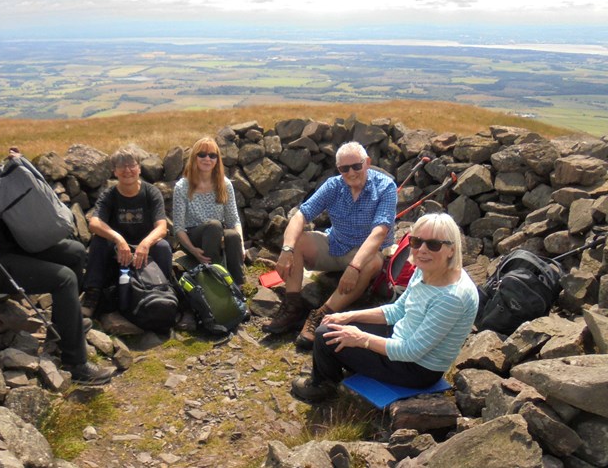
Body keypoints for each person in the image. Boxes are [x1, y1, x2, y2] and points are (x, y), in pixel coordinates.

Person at [0, 121, 113, 385]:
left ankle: (62, 329)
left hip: (10, 251)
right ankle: (76, 363)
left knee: (74, 251)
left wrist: (19, 165)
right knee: (64, 278)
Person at [291, 213, 478, 402]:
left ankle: (323, 385)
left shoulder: (452, 298)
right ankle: (336, 367)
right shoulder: (426, 269)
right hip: (402, 336)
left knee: (326, 336)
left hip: (417, 369)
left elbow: (411, 351)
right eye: (416, 241)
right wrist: (348, 316)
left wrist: (361, 339)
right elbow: (397, 310)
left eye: (433, 244)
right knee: (336, 326)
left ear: (451, 250)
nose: (422, 250)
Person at [263, 141, 397, 349]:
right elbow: (301, 215)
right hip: (336, 243)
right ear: (339, 169)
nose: (351, 172)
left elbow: (380, 232)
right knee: (297, 240)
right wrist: (287, 249)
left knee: (371, 263)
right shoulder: (334, 185)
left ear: (367, 163)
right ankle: (292, 305)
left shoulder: (385, 187)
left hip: (366, 251)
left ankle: (322, 314)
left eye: (356, 166)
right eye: (344, 168)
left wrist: (354, 267)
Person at [81, 147, 172, 317]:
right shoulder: (109, 195)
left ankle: (164, 292)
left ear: (139, 168)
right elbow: (94, 223)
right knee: (99, 241)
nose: (127, 170)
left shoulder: (151, 192)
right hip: (118, 250)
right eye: (121, 166)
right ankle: (92, 295)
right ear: (114, 171)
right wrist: (118, 239)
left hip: (145, 247)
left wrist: (145, 243)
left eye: (131, 165)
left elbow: (161, 227)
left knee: (163, 247)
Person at [173, 137, 246, 286]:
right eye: (202, 154)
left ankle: (238, 286)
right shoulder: (182, 187)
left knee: (232, 235)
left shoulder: (224, 184)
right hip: (193, 237)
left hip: (217, 233)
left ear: (217, 160)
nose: (207, 159)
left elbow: (233, 220)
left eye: (212, 155)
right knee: (214, 225)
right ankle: (213, 279)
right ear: (194, 157)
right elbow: (178, 228)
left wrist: (242, 245)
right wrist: (193, 251)